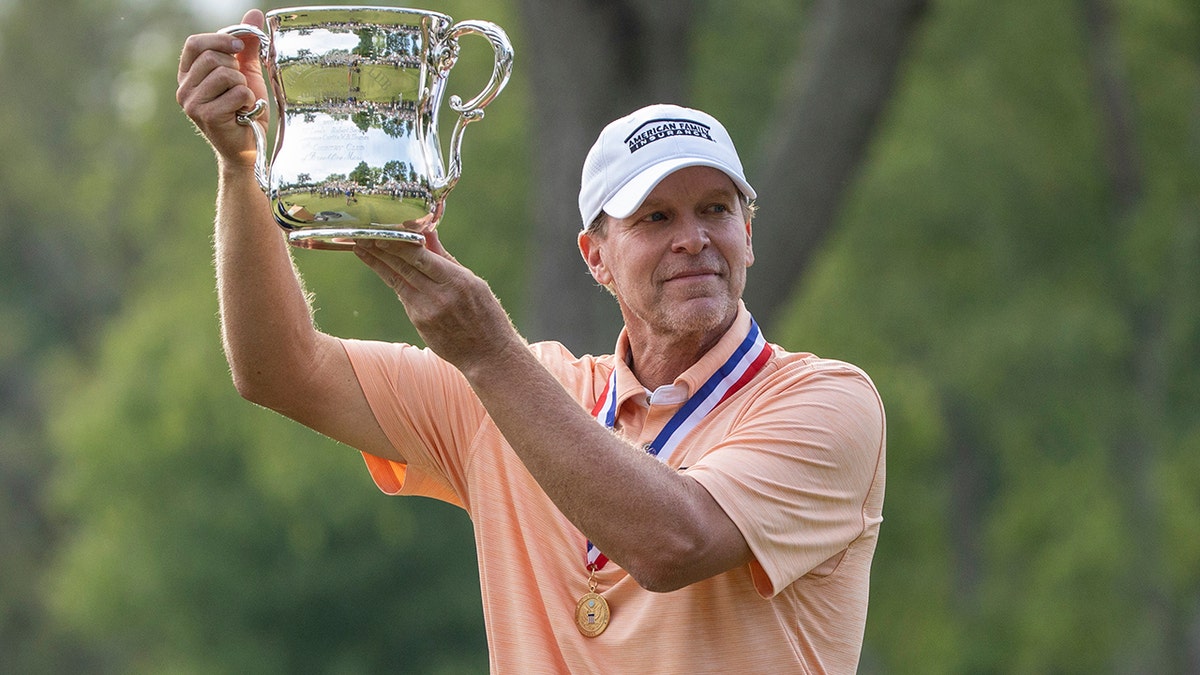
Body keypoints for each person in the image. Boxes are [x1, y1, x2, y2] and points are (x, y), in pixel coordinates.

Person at [177, 9, 885, 674]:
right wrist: (241, 167)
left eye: (716, 210)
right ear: (595, 257)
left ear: (748, 235)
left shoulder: (827, 402)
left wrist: (488, 353)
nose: (693, 239)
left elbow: (675, 542)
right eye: (655, 218)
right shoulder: (524, 390)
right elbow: (280, 368)